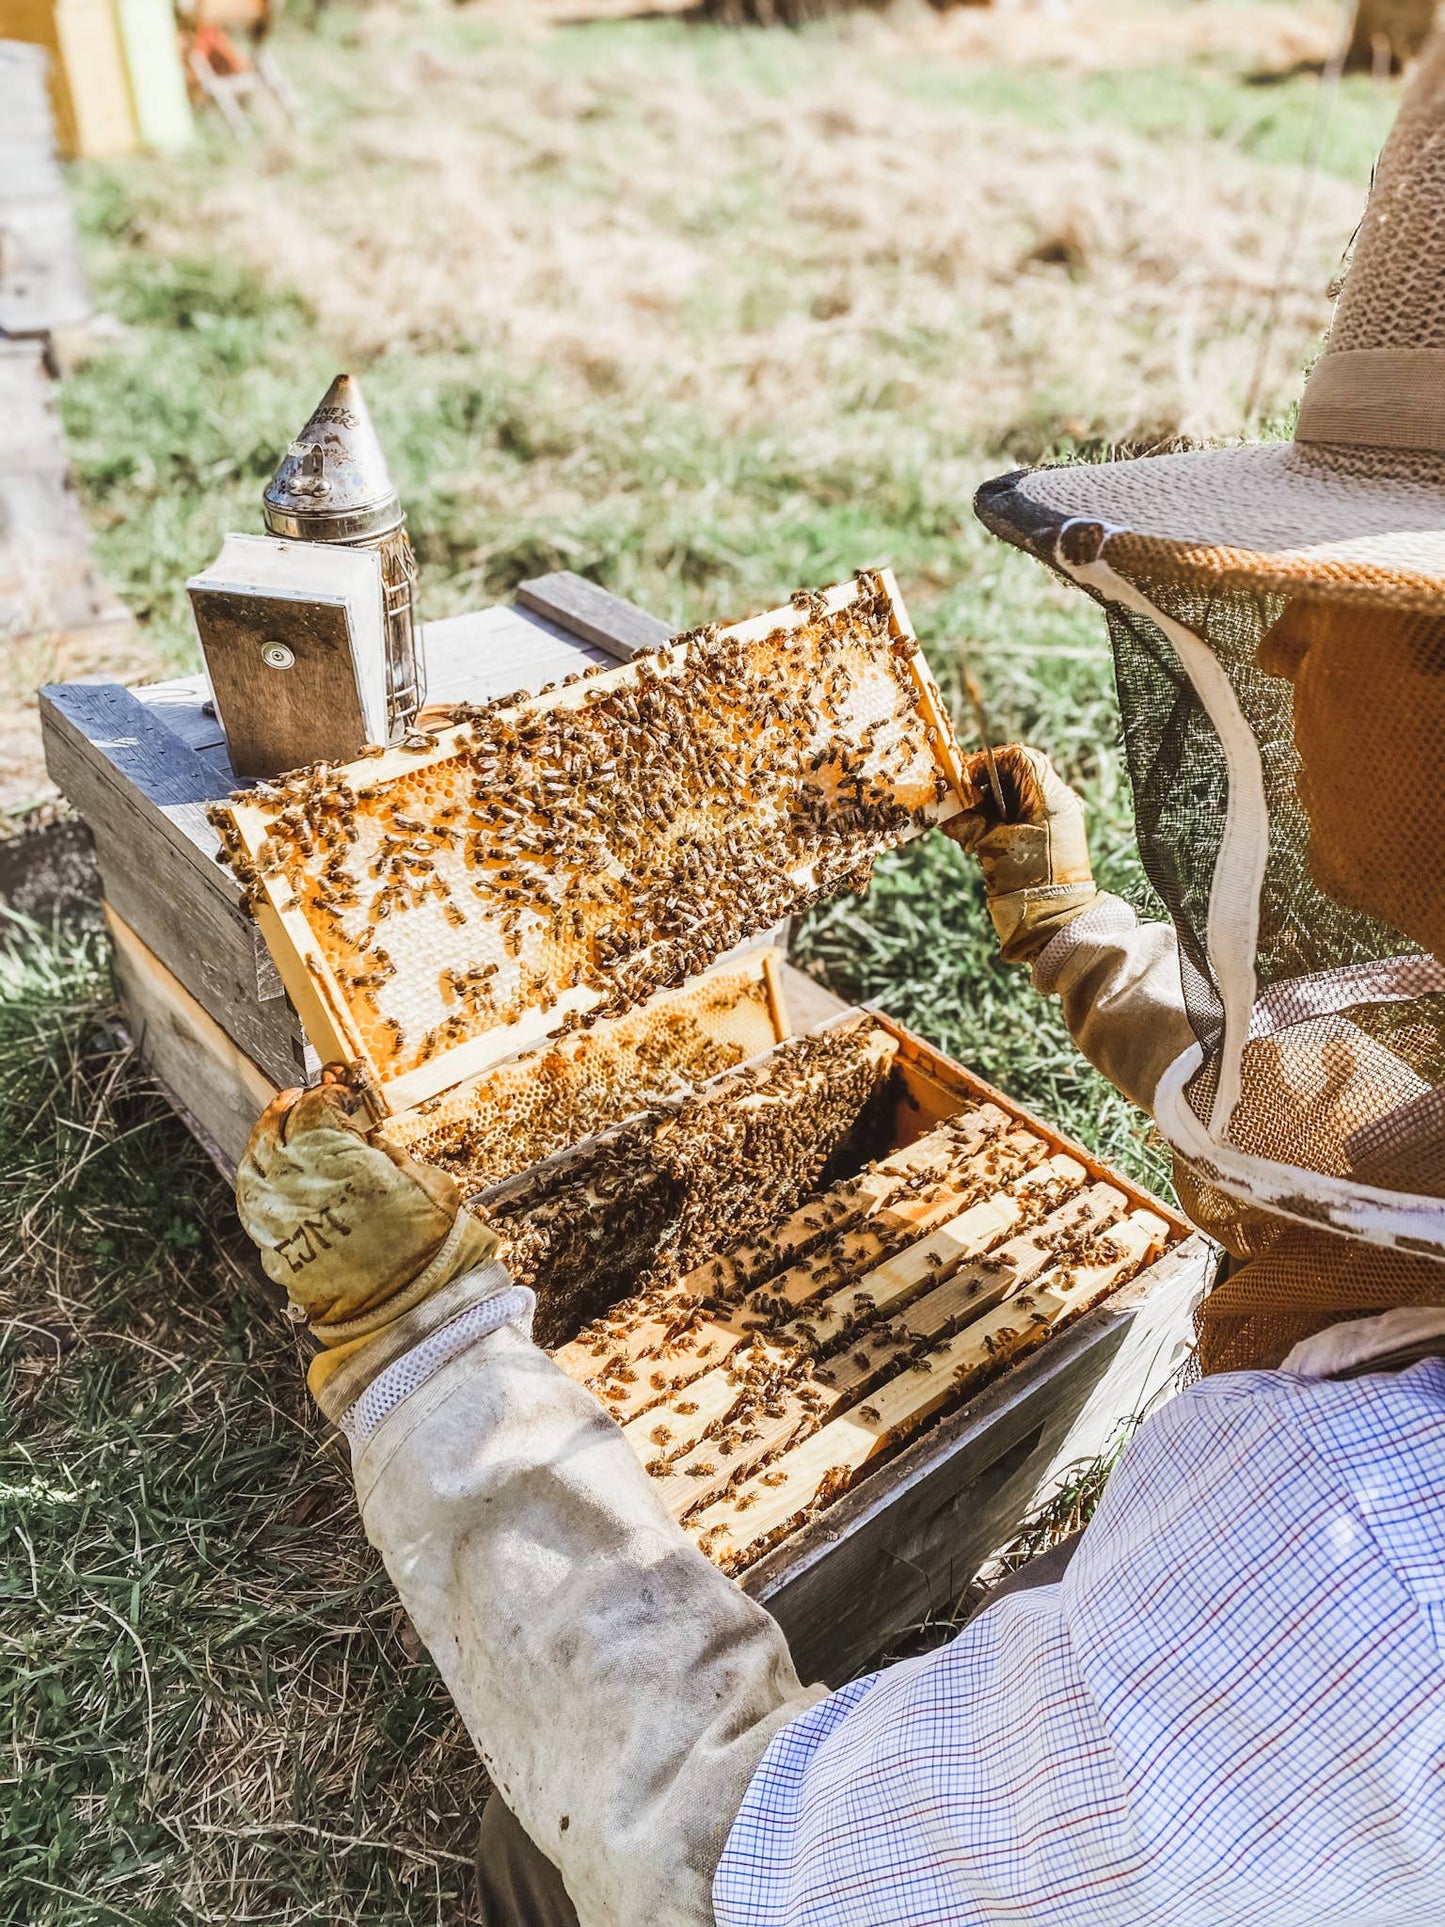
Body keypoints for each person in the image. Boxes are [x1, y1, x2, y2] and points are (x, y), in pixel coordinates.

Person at [233, 37, 1445, 1927]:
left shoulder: (1358, 1573)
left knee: (533, 1872)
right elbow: (1359, 1129)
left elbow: (725, 1868)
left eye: (1369, 610)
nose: (1280, 643)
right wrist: (1070, 940)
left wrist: (427, 1358)